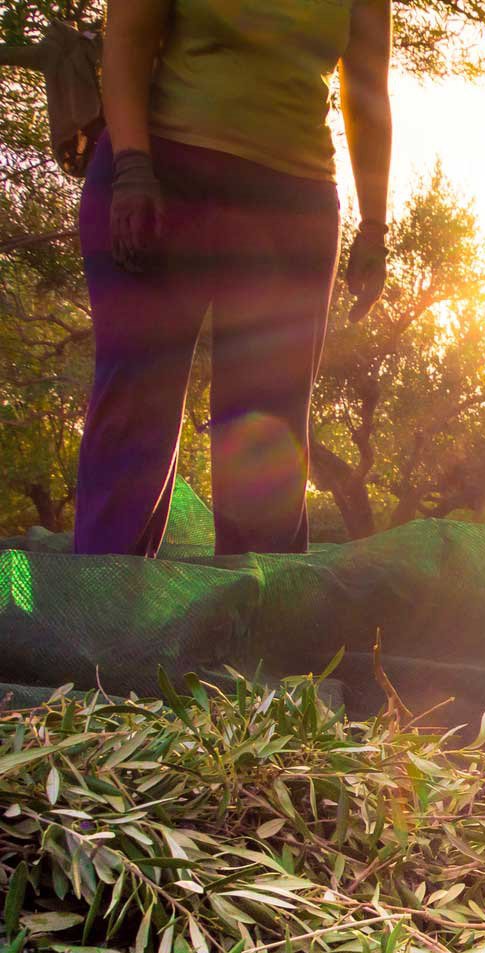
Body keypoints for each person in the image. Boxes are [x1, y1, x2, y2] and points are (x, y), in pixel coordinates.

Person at [73, 0, 392, 558]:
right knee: (136, 406)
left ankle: (254, 627)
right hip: (159, 180)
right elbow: (126, 41)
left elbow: (367, 89)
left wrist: (374, 227)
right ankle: (105, 614)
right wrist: (132, 167)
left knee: (269, 423)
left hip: (292, 201)